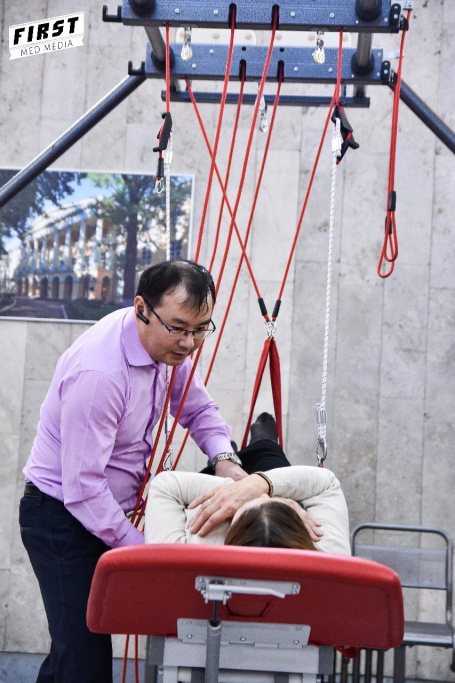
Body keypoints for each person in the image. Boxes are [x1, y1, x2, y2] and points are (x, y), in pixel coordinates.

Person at [19, 259, 244, 683]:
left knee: (72, 656)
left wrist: (225, 461)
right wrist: (144, 550)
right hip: (59, 519)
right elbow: (83, 488)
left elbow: (199, 410)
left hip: (98, 513)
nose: (189, 343)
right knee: (83, 663)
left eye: (201, 329)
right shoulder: (100, 374)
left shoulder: (165, 346)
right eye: (179, 328)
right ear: (142, 308)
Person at [144, 414, 351, 556]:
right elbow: (327, 483)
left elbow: (165, 486)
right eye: (271, 500)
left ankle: (227, 458)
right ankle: (263, 443)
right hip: (273, 480)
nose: (260, 495)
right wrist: (261, 486)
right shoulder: (328, 557)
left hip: (206, 493)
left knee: (255, 470)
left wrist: (241, 490)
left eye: (235, 510)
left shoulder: (189, 552)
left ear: (231, 531)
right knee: (272, 461)